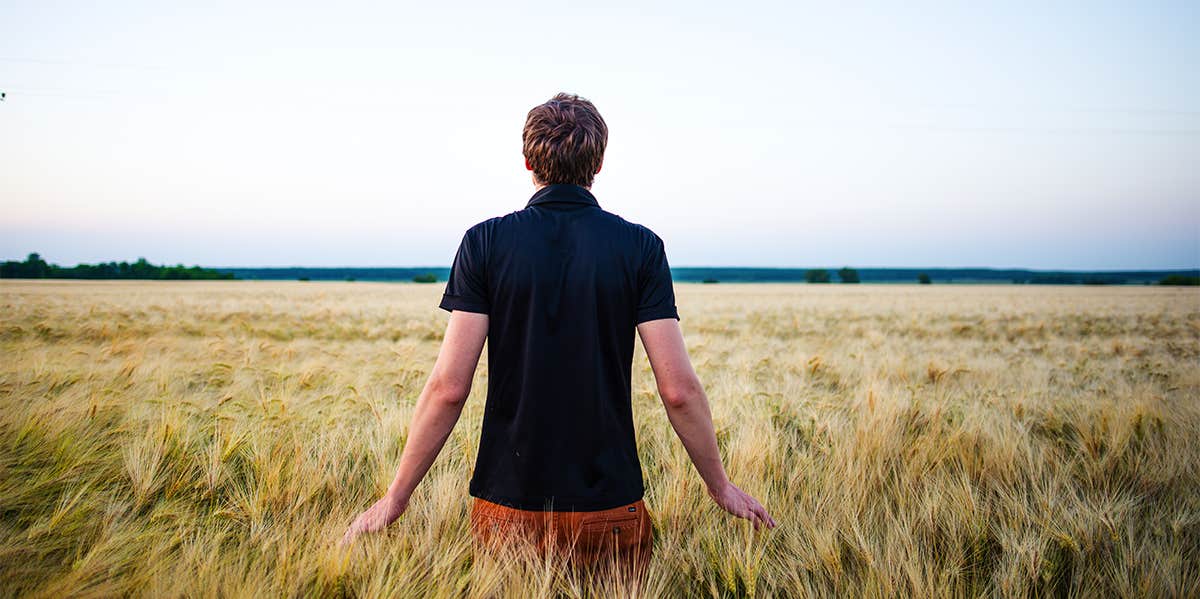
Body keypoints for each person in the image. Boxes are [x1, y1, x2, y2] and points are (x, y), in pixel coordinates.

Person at [341, 93, 775, 571]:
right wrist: (720, 486)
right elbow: (678, 390)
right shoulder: (641, 248)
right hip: (610, 508)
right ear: (600, 162)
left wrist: (396, 498)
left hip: (507, 508)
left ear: (528, 162)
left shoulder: (484, 242)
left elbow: (448, 388)